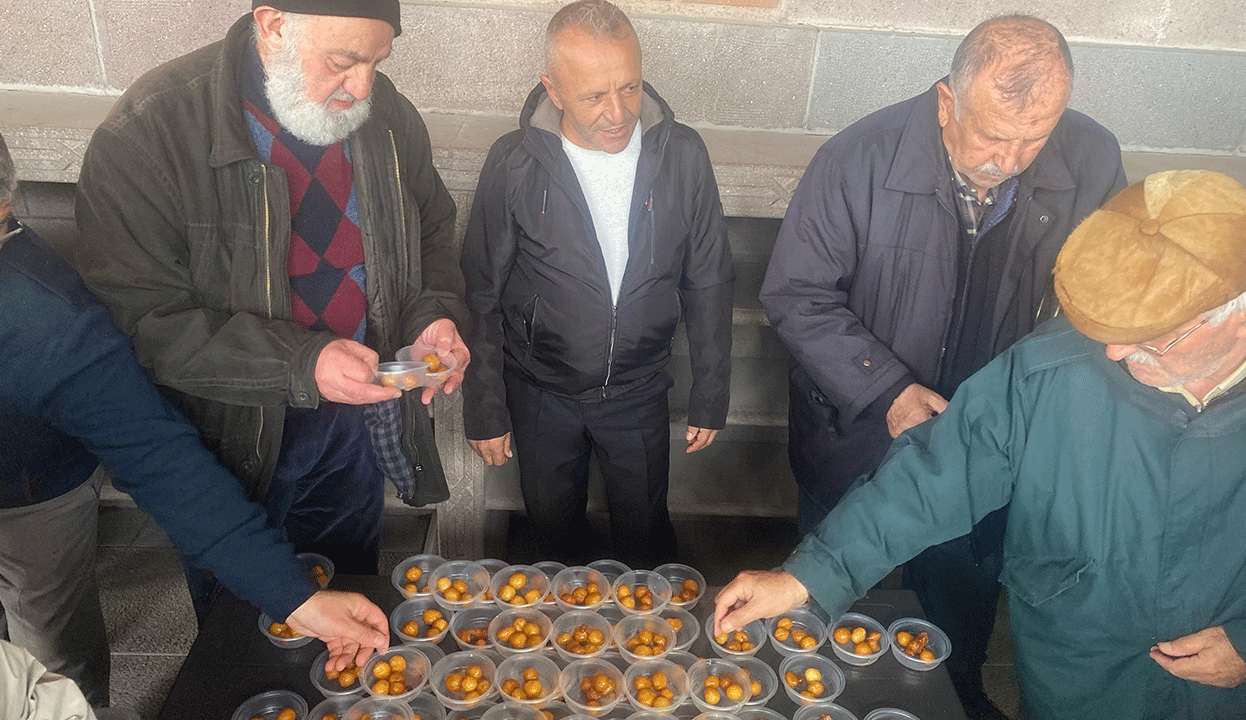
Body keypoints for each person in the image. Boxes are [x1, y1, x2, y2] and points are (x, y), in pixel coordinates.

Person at [717, 169, 1246, 720]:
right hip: (1079, 677)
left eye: (1152, 336)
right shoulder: (1051, 367)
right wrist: (808, 576)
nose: (1112, 355)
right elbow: (937, 476)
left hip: (1238, 699)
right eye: (1106, 329)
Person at [757, 16, 1126, 717]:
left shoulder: (1092, 158)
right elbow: (797, 294)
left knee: (956, 622)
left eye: (1034, 137)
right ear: (945, 100)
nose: (1012, 159)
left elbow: (1106, 302)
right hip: (857, 433)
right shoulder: (856, 159)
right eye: (992, 135)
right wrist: (887, 389)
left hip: (987, 444)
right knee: (831, 606)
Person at [64, 0, 469, 619]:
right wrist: (301, 363)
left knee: (350, 604)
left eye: (378, 60)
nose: (363, 87)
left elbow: (434, 228)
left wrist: (430, 318)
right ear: (274, 25)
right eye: (343, 61)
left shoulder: (383, 110)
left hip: (352, 429)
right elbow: (144, 322)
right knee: (243, 620)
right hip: (231, 440)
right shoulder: (149, 133)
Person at [0, 131, 388, 717]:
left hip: (30, 489)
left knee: (50, 646)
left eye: (5, 223)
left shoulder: (43, 318)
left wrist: (295, 598)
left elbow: (165, 464)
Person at [461, 0, 733, 567]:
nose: (618, 113)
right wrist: (484, 405)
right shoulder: (514, 163)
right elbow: (482, 291)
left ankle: (649, 643)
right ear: (553, 90)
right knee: (554, 536)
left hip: (638, 389)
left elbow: (708, 280)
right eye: (594, 96)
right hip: (540, 391)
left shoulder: (682, 156)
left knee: (646, 537)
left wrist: (711, 391)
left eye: (630, 88)